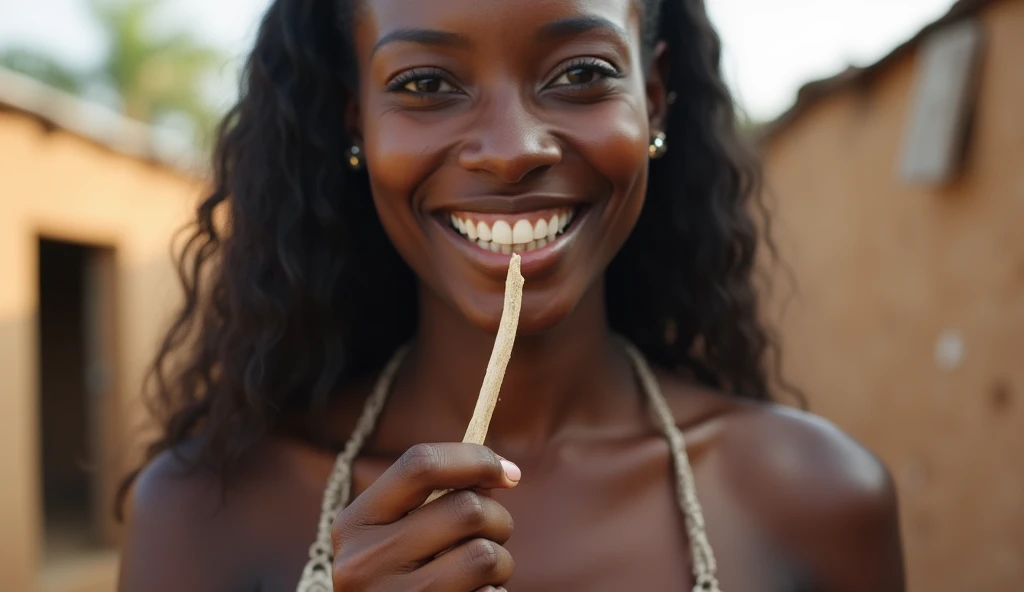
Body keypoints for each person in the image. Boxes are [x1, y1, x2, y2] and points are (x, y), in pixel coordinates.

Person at [117, 0, 905, 590]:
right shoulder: (202, 514)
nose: (511, 149)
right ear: (354, 120)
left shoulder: (822, 498)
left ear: (655, 98)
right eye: (425, 82)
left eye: (582, 74)